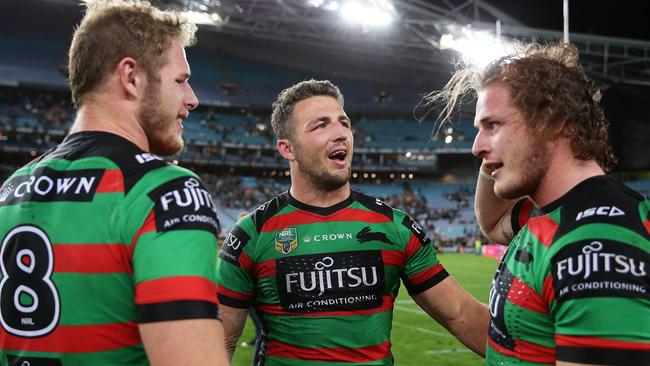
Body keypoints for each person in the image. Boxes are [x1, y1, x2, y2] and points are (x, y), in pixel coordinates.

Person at [0, 1, 229, 365]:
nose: (192, 99)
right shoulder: (165, 192)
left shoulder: (9, 191)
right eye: (180, 81)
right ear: (131, 77)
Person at [216, 79, 489, 365]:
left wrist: (533, 356)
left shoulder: (395, 227)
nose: (341, 133)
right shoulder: (251, 235)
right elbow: (220, 343)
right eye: (320, 125)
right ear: (288, 149)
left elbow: (460, 314)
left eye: (343, 123)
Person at [428, 41, 650, 365]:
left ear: (555, 121)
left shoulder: (597, 244)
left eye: (493, 125)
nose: (476, 147)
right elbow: (491, 222)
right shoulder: (552, 214)